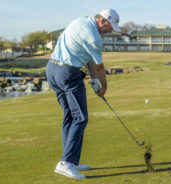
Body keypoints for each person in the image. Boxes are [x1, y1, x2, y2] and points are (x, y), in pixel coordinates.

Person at [46, 8, 120, 180]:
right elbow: (100, 66)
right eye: (110, 27)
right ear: (103, 21)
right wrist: (104, 87)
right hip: (68, 74)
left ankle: (72, 161)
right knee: (80, 117)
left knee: (70, 116)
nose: (110, 31)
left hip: (52, 70)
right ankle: (65, 163)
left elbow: (87, 57)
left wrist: (94, 79)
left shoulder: (81, 21)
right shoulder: (94, 37)